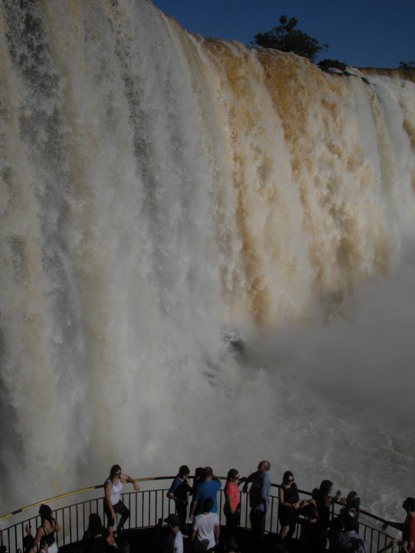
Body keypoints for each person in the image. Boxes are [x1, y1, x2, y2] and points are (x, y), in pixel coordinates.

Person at [104, 464, 140, 545]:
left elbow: (128, 478)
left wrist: (134, 483)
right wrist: (112, 511)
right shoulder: (109, 483)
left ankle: (118, 531)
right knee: (111, 523)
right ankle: (112, 541)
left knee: (126, 513)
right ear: (112, 473)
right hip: (110, 505)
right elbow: (107, 498)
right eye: (116, 474)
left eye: (119, 473)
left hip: (117, 503)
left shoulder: (119, 477)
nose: (118, 475)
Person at [242, 460, 271, 541]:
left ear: (265, 468)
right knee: (254, 521)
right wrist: (245, 484)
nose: (258, 466)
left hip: (260, 507)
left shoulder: (265, 478)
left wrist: (257, 506)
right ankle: (256, 539)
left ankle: (259, 542)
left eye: (260, 465)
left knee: (259, 525)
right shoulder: (258, 473)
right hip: (256, 505)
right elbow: (250, 477)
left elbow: (264, 496)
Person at [278, 471, 305, 541]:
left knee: (292, 529)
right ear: (285, 479)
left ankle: (285, 542)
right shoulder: (282, 488)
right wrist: (291, 505)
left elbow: (298, 498)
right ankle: (281, 543)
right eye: (289, 480)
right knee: (284, 528)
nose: (291, 482)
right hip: (284, 511)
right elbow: (282, 502)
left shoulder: (294, 485)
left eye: (292, 480)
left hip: (293, 511)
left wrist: (298, 503)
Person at [167, 465, 192, 534]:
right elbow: (169, 494)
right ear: (181, 474)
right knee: (181, 517)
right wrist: (179, 500)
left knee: (183, 517)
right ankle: (180, 533)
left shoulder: (181, 479)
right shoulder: (177, 482)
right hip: (180, 503)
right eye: (185, 476)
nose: (186, 477)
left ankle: (181, 530)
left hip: (183, 502)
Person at [223, 469, 244, 535]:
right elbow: (230, 501)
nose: (238, 478)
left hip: (234, 509)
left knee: (231, 527)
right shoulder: (230, 487)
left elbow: (236, 485)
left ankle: (230, 541)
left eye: (239, 477)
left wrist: (242, 480)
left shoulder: (233, 483)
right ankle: (230, 541)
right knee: (231, 528)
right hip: (232, 511)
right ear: (231, 478)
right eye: (237, 478)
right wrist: (233, 513)